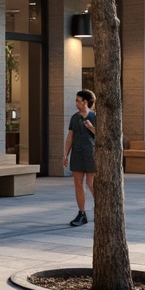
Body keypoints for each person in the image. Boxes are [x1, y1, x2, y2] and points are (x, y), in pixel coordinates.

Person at [62, 90, 96, 227]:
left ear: (85, 102)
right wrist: (65, 154)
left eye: (78, 100)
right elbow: (70, 136)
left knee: (90, 183)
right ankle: (82, 213)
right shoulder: (74, 118)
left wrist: (91, 128)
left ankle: (100, 207)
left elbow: (103, 136)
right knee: (78, 184)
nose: (76, 103)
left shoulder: (95, 116)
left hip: (91, 153)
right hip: (77, 153)